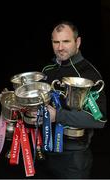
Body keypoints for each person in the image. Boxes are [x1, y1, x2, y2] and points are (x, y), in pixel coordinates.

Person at [39, 21, 107, 179]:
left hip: (73, 159)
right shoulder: (47, 70)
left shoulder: (89, 74)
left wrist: (58, 116)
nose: (60, 47)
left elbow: (99, 121)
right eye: (56, 42)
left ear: (78, 42)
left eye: (66, 41)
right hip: (44, 153)